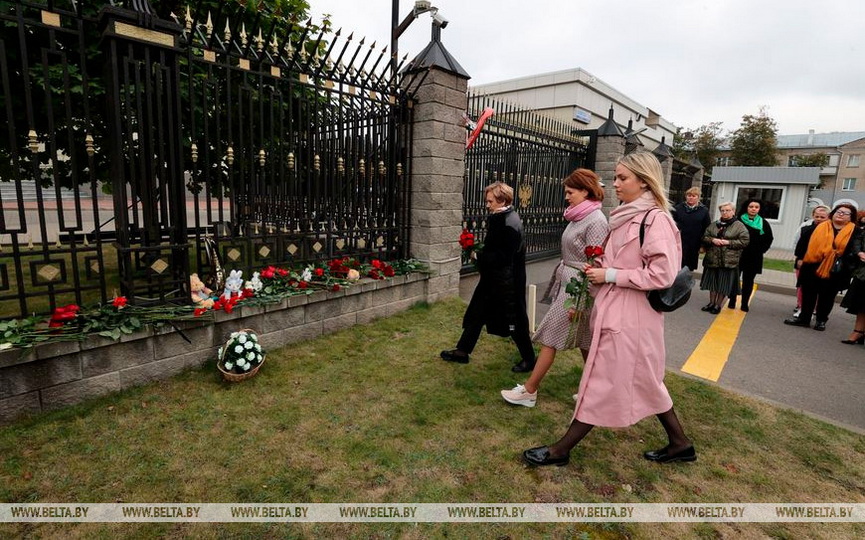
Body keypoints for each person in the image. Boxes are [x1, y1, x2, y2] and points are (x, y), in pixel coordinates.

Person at [522, 151, 695, 467]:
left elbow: (663, 274)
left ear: (644, 181)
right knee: (646, 380)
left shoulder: (655, 220)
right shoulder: (628, 216)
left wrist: (610, 274)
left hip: (632, 317)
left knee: (602, 380)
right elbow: (623, 260)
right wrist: (600, 266)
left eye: (622, 178)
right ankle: (680, 443)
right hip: (617, 309)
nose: (615, 184)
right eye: (615, 177)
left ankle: (561, 449)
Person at [500, 169, 609, 407]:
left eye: (570, 192)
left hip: (579, 289)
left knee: (550, 336)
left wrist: (580, 301)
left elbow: (596, 263)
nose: (567, 197)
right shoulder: (578, 216)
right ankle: (596, 392)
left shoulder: (597, 221)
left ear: (585, 191)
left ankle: (530, 390)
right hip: (570, 283)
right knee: (586, 342)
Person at [440, 182, 535, 369]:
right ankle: (462, 351)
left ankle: (529, 359)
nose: (487, 204)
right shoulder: (504, 217)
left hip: (506, 282)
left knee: (514, 320)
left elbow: (503, 256)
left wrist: (477, 255)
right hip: (494, 279)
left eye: (490, 201)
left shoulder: (508, 222)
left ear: (502, 201)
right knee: (476, 313)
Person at [784, 203, 857, 331]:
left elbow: (856, 251)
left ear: (851, 217)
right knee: (808, 293)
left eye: (845, 213)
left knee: (827, 296)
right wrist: (800, 258)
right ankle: (804, 318)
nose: (841, 214)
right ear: (832, 214)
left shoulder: (856, 232)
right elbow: (803, 243)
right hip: (812, 265)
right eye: (838, 211)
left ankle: (821, 321)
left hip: (836, 269)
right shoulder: (818, 227)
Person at [699, 202, 750, 314]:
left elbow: (745, 241)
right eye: (722, 210)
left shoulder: (739, 226)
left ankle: (718, 305)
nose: (725, 212)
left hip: (728, 260)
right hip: (713, 258)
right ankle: (711, 303)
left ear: (733, 211)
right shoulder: (714, 224)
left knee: (723, 284)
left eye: (727, 210)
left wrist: (728, 242)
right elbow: (705, 236)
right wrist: (712, 240)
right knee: (712, 283)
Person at [729, 199, 773, 312]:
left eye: (756, 207)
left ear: (759, 209)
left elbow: (769, 239)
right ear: (746, 207)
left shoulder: (763, 223)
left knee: (748, 281)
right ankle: (732, 301)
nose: (753, 209)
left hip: (754, 256)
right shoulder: (738, 221)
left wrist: (762, 250)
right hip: (738, 254)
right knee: (734, 279)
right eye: (751, 206)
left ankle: (744, 303)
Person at [793, 206, 830, 317]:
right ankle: (801, 307)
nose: (819, 219)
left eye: (822, 217)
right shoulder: (806, 228)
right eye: (816, 216)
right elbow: (798, 244)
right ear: (813, 216)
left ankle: (815, 309)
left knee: (819, 288)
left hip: (823, 264)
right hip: (804, 261)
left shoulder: (831, 230)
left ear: (828, 217)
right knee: (802, 286)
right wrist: (799, 258)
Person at [839, 210, 865, 343]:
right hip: (863, 273)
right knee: (861, 305)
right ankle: (858, 332)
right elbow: (858, 240)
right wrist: (859, 252)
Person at [672, 187, 711, 271]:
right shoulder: (678, 208)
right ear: (686, 196)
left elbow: (707, 229)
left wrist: (703, 245)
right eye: (689, 195)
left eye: (694, 196)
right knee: (676, 266)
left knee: (689, 268)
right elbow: (671, 225)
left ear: (698, 197)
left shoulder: (704, 211)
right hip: (679, 242)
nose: (691, 197)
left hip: (694, 244)